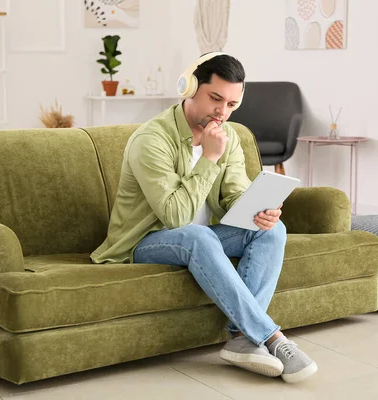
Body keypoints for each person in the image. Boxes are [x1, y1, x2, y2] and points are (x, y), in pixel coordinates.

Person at [91, 52, 317, 383]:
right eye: (215, 99)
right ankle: (273, 339)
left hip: (203, 236)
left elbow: (235, 195)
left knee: (271, 231)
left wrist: (259, 210)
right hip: (140, 243)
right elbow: (175, 218)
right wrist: (209, 158)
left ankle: (241, 338)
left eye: (231, 105)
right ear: (189, 87)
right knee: (198, 236)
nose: (222, 113)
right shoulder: (151, 140)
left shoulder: (231, 137)